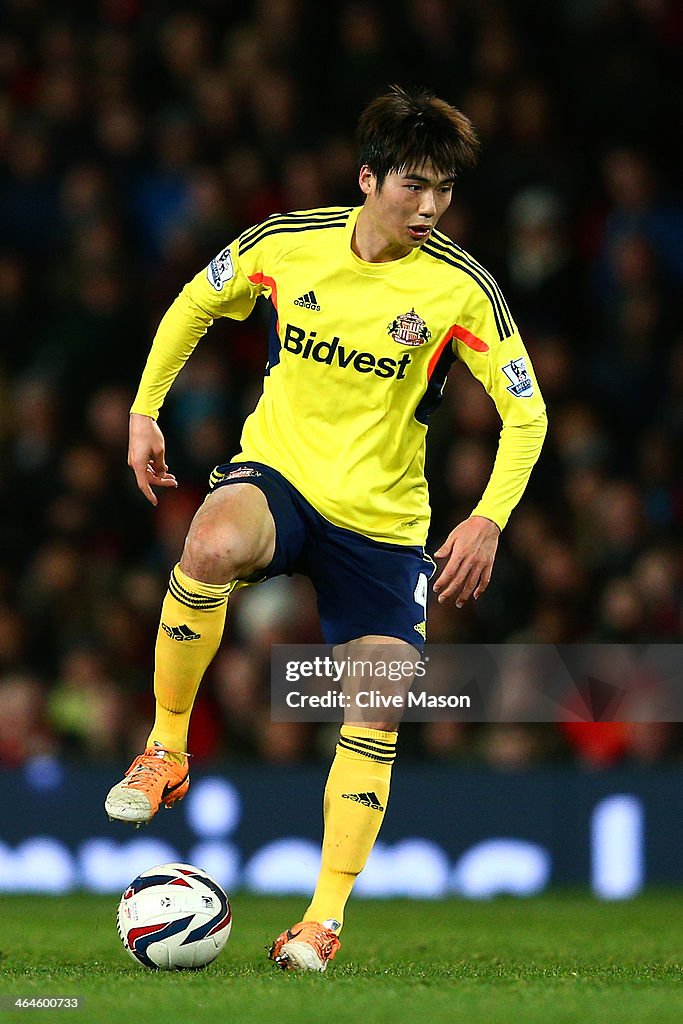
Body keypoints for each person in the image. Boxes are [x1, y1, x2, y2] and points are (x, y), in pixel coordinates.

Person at [104, 85, 547, 971]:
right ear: (367, 178)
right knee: (210, 543)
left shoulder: (460, 289)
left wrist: (489, 519)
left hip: (383, 524)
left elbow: (526, 414)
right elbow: (197, 300)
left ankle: (322, 921)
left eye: (445, 190)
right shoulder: (287, 243)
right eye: (413, 186)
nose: (429, 208)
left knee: (375, 706)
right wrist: (145, 411)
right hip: (281, 478)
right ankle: (164, 750)